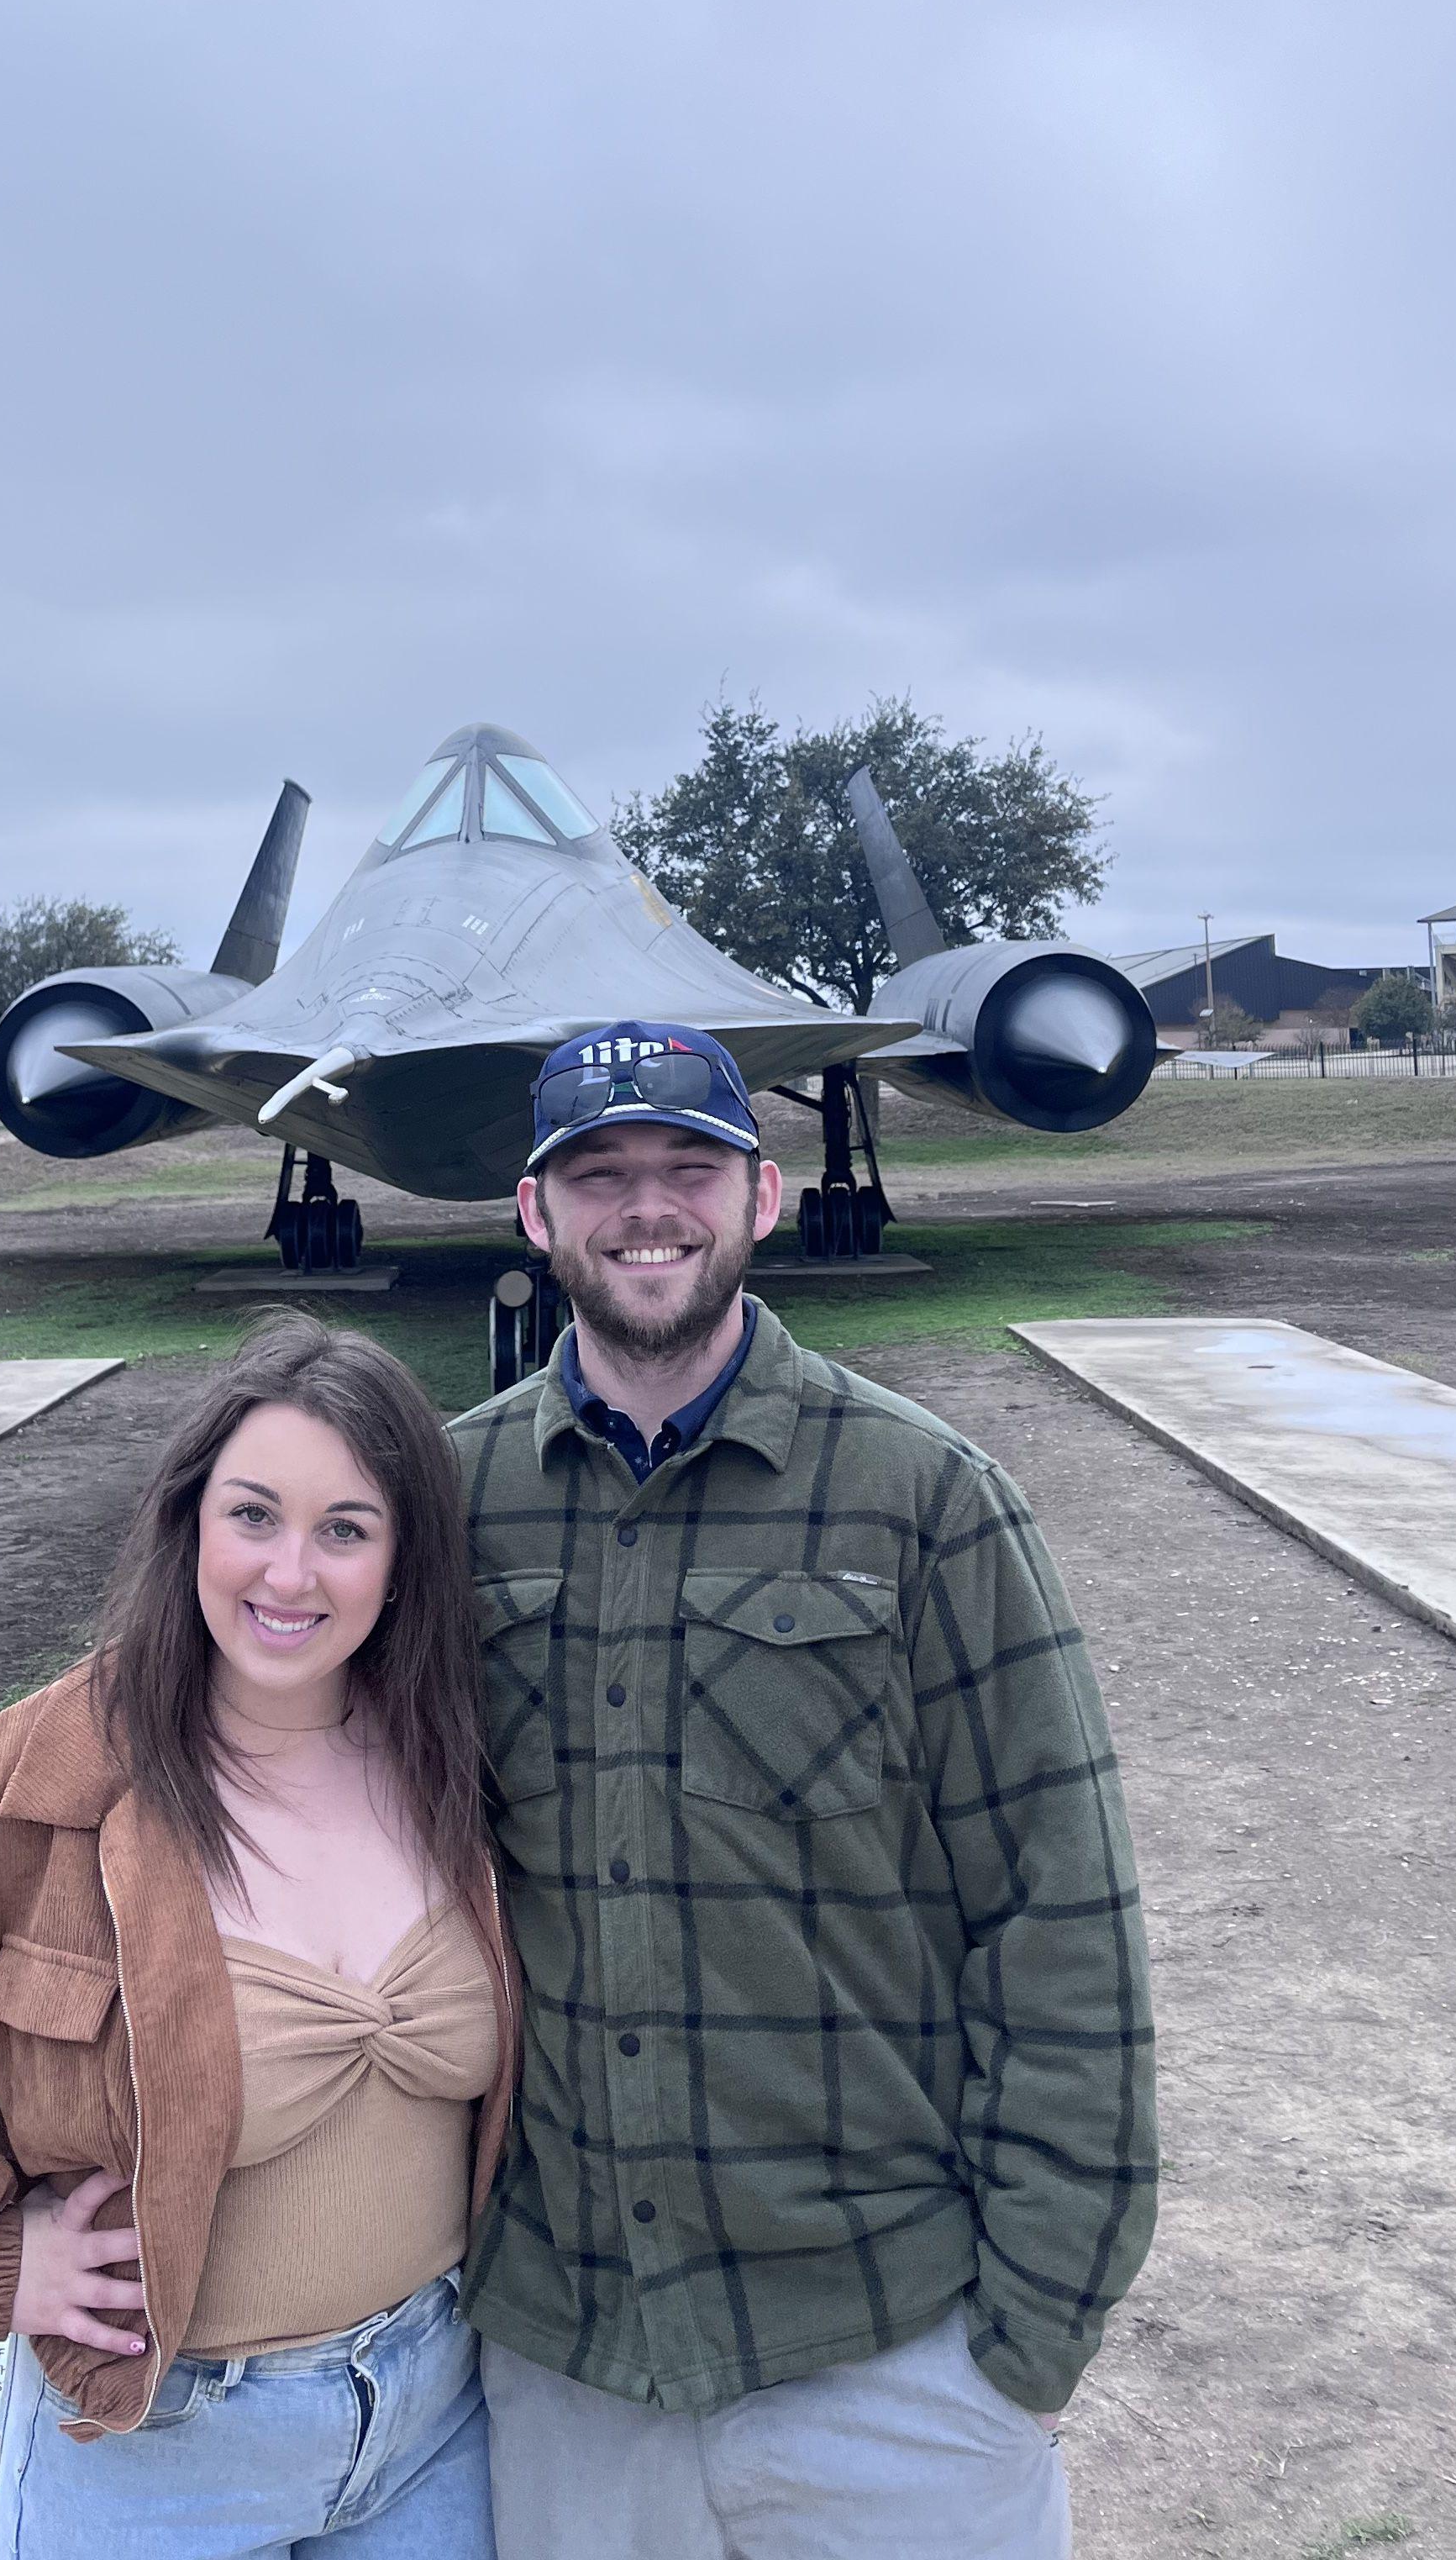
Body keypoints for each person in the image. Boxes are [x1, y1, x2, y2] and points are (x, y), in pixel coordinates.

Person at [453, 1023, 1158, 2560]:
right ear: (535, 1214)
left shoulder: (928, 1500)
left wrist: (1030, 2346)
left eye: (689, 1168)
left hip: (886, 2357)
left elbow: (1061, 1917)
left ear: (762, 1199)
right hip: (571, 2370)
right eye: (600, 1173)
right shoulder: (449, 1504)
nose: (649, 1207)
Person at [0, 1316, 513, 2560]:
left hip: (431, 2420)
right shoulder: (35, 1784)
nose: (289, 1573)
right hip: (161, 2455)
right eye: (253, 1515)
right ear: (190, 1520)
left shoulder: (450, 1756)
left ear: (404, 1558)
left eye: (345, 1529)